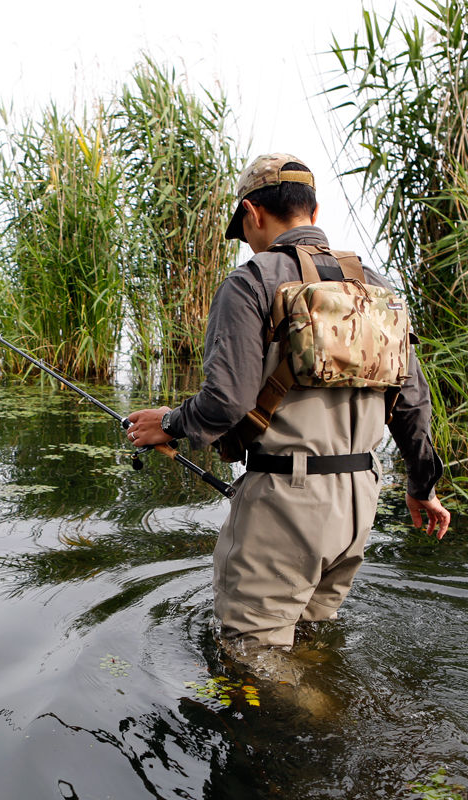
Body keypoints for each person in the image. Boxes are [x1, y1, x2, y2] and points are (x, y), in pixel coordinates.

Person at [126, 153, 450, 649]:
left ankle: (314, 722)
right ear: (314, 214)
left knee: (253, 656)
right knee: (314, 642)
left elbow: (225, 402)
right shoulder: (376, 287)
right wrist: (423, 485)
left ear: (253, 214)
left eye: (246, 227)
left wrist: (167, 422)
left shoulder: (250, 282)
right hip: (361, 499)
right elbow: (412, 402)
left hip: (286, 501)